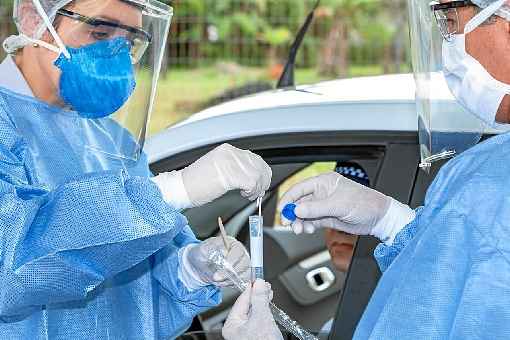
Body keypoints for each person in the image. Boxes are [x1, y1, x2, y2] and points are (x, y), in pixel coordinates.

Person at [225, 0, 510, 339]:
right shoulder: (488, 173)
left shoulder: (489, 192)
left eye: (450, 21)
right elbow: (452, 272)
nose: (447, 43)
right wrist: (391, 220)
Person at [0, 0, 272, 339]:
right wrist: (176, 189)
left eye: (128, 42)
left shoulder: (111, 140)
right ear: (31, 18)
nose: (114, 53)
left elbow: (136, 297)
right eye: (98, 31)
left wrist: (191, 268)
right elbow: (11, 272)